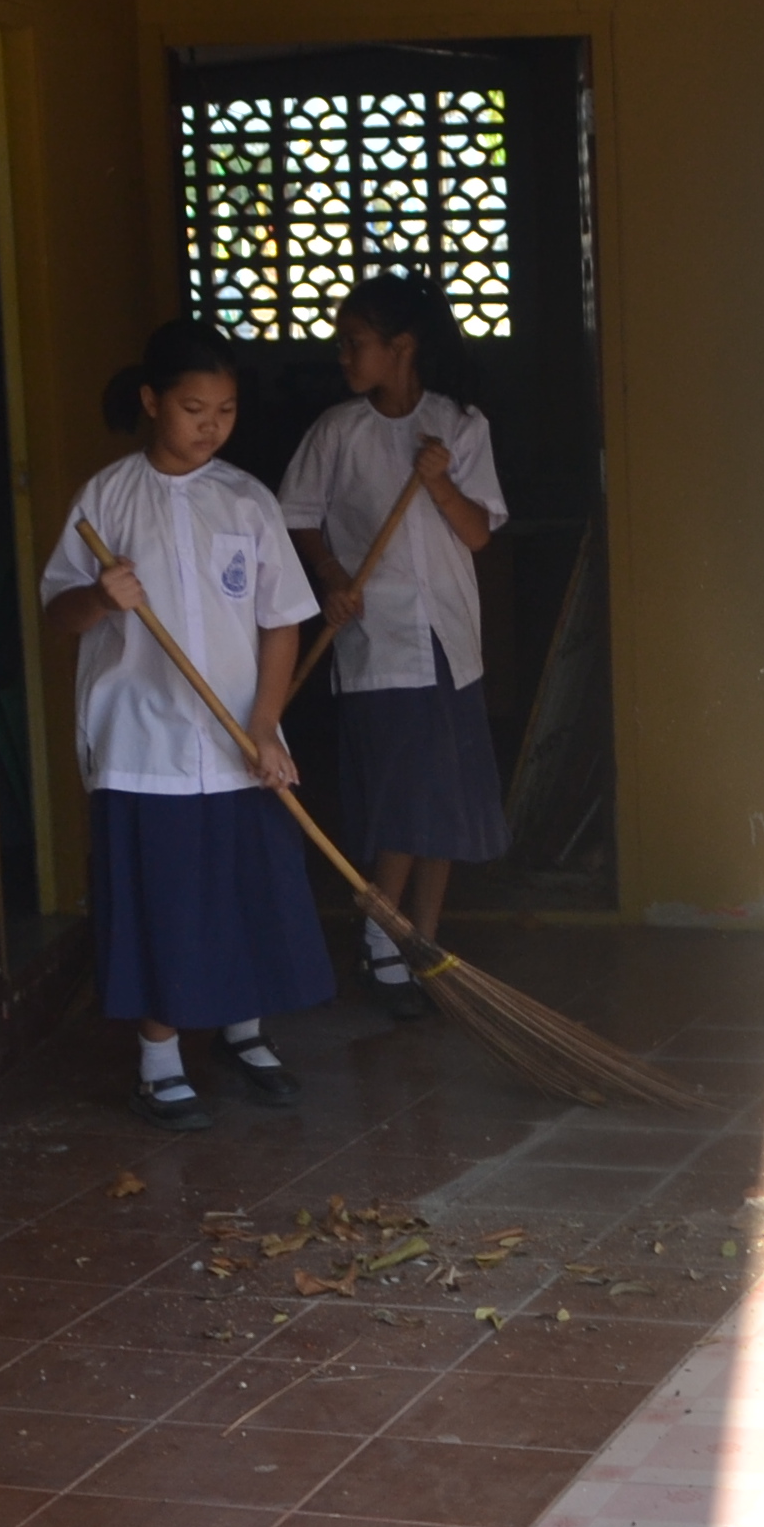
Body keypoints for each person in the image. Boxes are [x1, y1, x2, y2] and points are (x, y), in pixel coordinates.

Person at [40, 319, 330, 1128]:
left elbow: (281, 620)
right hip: (142, 740)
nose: (211, 427)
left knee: (243, 888)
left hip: (239, 737)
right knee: (160, 903)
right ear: (150, 401)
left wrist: (266, 724)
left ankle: (244, 1033)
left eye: (225, 411)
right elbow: (59, 613)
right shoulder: (106, 498)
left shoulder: (246, 499)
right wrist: (101, 597)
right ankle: (159, 1065)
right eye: (193, 409)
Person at [283, 275, 507, 1021]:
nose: (343, 355)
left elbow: (478, 532)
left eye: (356, 342)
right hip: (377, 641)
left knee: (443, 801)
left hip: (449, 640)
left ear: (402, 347)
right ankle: (383, 938)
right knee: (398, 797)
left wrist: (439, 483)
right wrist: (331, 576)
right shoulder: (337, 431)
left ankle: (425, 946)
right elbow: (298, 515)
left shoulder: (457, 425)